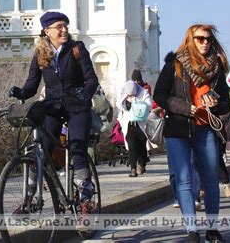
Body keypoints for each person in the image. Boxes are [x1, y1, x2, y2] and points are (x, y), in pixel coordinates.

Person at [8, 11, 99, 213]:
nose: (64, 30)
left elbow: (92, 78)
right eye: (59, 27)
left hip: (77, 106)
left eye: (66, 26)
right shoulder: (41, 53)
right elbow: (32, 85)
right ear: (47, 31)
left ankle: (85, 200)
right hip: (53, 107)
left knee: (77, 148)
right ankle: (29, 199)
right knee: (39, 149)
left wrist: (86, 93)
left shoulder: (77, 49)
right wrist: (20, 92)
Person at [153, 24, 230, 242]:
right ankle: (192, 231)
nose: (205, 43)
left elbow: (227, 103)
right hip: (178, 128)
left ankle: (213, 229)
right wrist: (186, 108)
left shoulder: (217, 68)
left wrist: (215, 104)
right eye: (200, 39)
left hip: (206, 129)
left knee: (210, 180)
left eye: (208, 39)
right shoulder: (174, 64)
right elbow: (160, 95)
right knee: (184, 179)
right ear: (190, 40)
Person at [117, 80, 154, 177]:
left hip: (141, 124)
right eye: (129, 94)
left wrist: (137, 102)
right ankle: (133, 168)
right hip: (129, 124)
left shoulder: (143, 92)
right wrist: (126, 100)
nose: (131, 95)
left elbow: (149, 105)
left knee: (142, 146)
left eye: (133, 93)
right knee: (132, 146)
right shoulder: (124, 94)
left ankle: (142, 164)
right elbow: (119, 105)